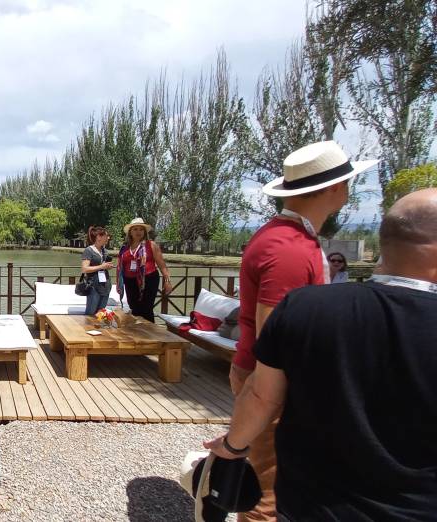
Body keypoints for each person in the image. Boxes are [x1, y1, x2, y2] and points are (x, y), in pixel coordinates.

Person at [205, 188, 437, 520]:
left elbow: (261, 394)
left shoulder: (304, 305)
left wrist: (232, 446)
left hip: (310, 505)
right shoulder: (290, 249)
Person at [229, 141, 379, 520]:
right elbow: (274, 337)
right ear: (333, 189)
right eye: (347, 181)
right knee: (269, 492)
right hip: (273, 382)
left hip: (266, 377)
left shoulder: (286, 238)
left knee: (276, 482)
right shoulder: (290, 248)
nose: (349, 190)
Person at [116, 218, 173, 322]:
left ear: (145, 232)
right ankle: (137, 334)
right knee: (134, 308)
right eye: (135, 229)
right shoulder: (125, 247)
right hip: (130, 281)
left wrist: (167, 281)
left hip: (148, 279)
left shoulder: (151, 245)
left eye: (141, 229)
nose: (138, 232)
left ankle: (150, 335)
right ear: (130, 232)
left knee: (146, 309)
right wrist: (119, 282)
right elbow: (120, 266)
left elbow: (162, 265)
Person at [81, 226, 114, 315]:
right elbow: (84, 269)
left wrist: (108, 266)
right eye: (106, 236)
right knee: (90, 314)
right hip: (94, 287)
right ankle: (87, 329)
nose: (108, 238)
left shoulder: (105, 251)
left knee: (101, 314)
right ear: (99, 237)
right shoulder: (89, 250)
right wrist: (101, 266)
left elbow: (103, 267)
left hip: (106, 286)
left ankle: (99, 329)